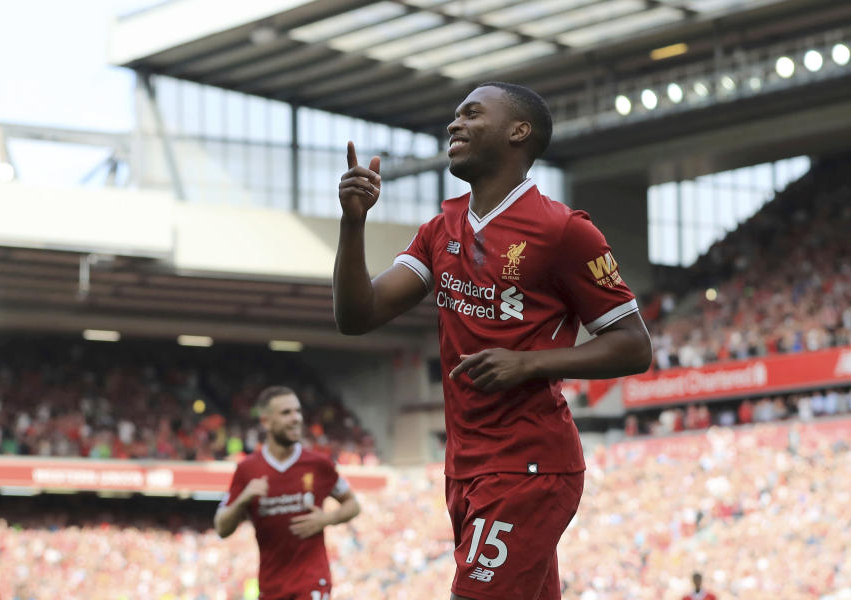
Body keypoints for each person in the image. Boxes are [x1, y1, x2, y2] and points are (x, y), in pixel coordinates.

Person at [334, 81, 652, 600]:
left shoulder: (564, 230)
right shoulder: (440, 229)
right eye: (454, 116)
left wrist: (529, 364)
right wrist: (353, 226)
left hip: (528, 463)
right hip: (466, 465)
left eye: (471, 114)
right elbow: (357, 315)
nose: (453, 124)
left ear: (517, 132)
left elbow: (635, 346)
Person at [214, 386, 360, 600]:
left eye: (298, 411)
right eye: (286, 413)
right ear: (266, 421)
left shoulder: (318, 464)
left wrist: (327, 519)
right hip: (271, 585)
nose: (296, 418)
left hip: (312, 581)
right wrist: (243, 499)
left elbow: (353, 504)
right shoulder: (248, 470)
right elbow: (221, 527)